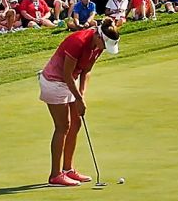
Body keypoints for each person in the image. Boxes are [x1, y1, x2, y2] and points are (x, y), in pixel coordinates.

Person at [39, 16, 119, 187]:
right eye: (104, 45)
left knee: (76, 123)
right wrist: (78, 98)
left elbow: (86, 70)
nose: (105, 48)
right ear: (99, 37)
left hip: (68, 82)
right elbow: (67, 74)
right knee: (63, 126)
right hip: (54, 81)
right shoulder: (78, 41)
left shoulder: (99, 45)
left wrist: (81, 93)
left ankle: (68, 169)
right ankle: (55, 175)